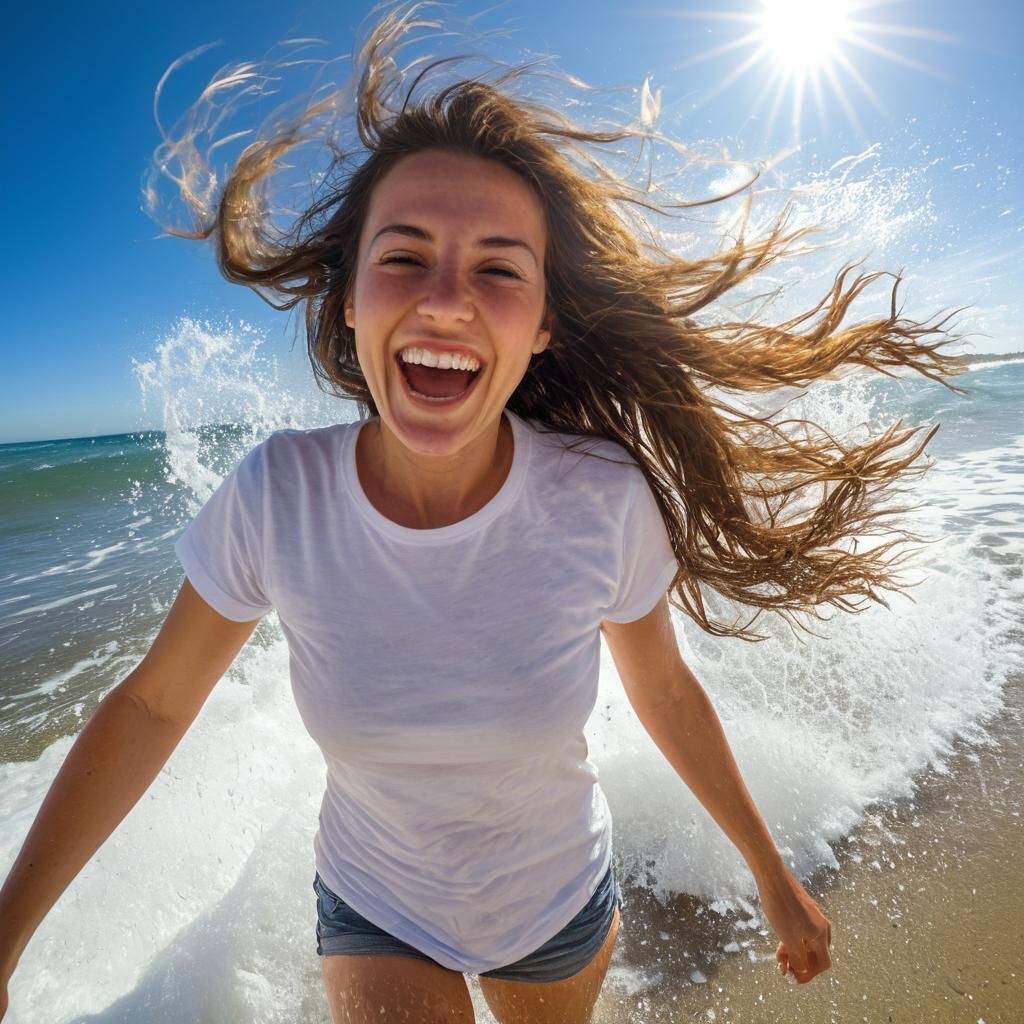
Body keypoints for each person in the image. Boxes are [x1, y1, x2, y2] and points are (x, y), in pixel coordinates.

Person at [0, 5, 966, 1022]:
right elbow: (152, 706)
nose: (448, 300)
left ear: (543, 320)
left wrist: (770, 872)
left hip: (553, 908)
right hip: (373, 902)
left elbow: (667, 691)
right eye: (404, 256)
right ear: (348, 299)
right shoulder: (276, 497)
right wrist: (10, 929)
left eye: (498, 267)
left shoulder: (598, 498)